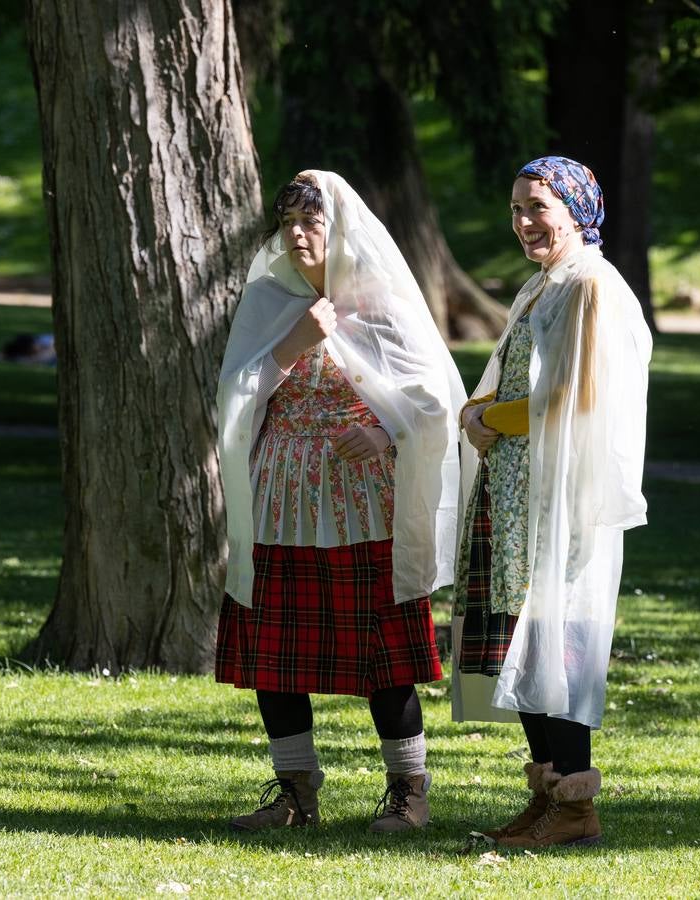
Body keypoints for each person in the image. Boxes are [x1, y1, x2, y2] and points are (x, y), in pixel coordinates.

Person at [215, 171, 466, 834]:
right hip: (280, 498)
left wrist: (385, 430)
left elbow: (432, 394)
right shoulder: (269, 299)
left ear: (340, 227)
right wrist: (294, 342)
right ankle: (295, 794)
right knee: (276, 655)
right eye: (288, 221)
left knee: (382, 654)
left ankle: (409, 793)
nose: (297, 234)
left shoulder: (379, 300)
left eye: (311, 221)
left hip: (362, 503)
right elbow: (237, 393)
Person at [452, 156, 652, 849]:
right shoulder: (545, 285)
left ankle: (575, 805)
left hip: (556, 496)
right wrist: (476, 412)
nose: (525, 222)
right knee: (522, 642)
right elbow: (512, 375)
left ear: (574, 210)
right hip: (515, 491)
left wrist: (489, 421)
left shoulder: (592, 286)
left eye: (538, 207)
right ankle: (545, 796)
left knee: (556, 644)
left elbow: (577, 397)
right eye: (515, 209)